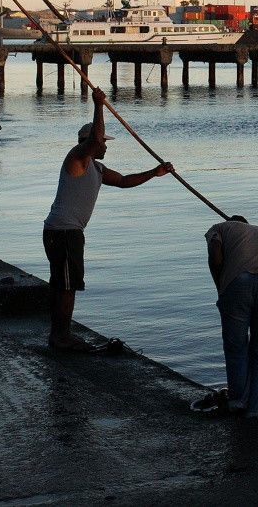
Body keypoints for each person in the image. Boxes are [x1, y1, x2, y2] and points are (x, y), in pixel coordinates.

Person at [43, 87, 172, 351]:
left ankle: (60, 334)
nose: (105, 146)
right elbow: (93, 142)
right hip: (63, 231)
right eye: (103, 143)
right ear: (90, 142)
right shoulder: (77, 159)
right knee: (67, 286)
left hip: (68, 232)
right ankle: (60, 337)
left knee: (65, 284)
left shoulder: (97, 169)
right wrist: (99, 104)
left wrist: (154, 172)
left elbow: (124, 181)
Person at [206, 215, 258, 417]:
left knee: (236, 347)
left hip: (238, 283)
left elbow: (215, 252)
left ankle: (237, 403)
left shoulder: (219, 228)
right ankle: (254, 409)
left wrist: (221, 288)